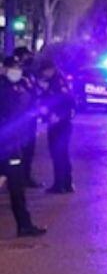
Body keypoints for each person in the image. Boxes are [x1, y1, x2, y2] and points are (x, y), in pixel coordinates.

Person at [0, 57, 46, 237]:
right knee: (16, 186)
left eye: (17, 68)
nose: (16, 71)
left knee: (17, 187)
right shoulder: (4, 89)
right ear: (4, 68)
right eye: (12, 68)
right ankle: (24, 225)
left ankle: (25, 225)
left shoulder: (20, 86)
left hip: (12, 144)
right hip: (6, 144)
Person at [40, 59, 75, 193]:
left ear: (50, 70)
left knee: (58, 154)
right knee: (62, 154)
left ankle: (60, 184)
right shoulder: (58, 81)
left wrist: (57, 116)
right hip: (60, 122)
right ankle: (66, 183)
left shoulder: (57, 83)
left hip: (59, 123)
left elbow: (66, 102)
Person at [13, 47, 42, 187]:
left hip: (31, 117)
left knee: (29, 148)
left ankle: (26, 177)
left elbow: (34, 91)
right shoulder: (17, 75)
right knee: (20, 149)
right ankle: (18, 178)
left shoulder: (29, 74)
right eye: (26, 56)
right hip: (22, 118)